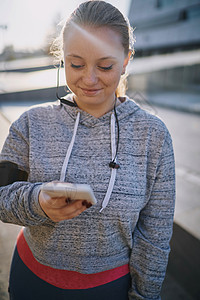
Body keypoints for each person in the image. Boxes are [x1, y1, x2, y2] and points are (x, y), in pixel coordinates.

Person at [0, 1, 175, 299]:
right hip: (31, 280)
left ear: (126, 60)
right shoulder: (31, 123)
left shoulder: (153, 136)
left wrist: (145, 295)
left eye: (105, 66)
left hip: (110, 289)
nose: (89, 79)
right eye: (76, 64)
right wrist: (38, 203)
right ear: (62, 59)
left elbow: (155, 236)